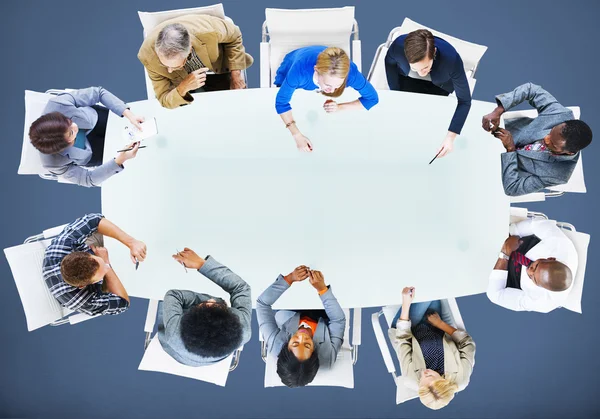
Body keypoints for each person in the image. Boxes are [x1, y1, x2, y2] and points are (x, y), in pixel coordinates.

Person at [481, 82, 593, 196]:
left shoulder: (558, 175)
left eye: (553, 144)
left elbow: (512, 188)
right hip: (488, 133)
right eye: (550, 132)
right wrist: (498, 111)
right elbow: (531, 89)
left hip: (492, 167)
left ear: (569, 152)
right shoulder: (560, 114)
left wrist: (510, 149)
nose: (546, 139)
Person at [29, 87, 144, 187]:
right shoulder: (52, 163)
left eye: (68, 121)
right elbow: (88, 179)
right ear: (63, 148)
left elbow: (98, 93)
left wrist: (130, 115)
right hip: (93, 153)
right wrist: (120, 160)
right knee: (140, 159)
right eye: (71, 133)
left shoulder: (57, 104)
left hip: (96, 119)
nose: (75, 127)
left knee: (141, 126)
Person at [157, 248, 252, 366]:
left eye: (207, 304)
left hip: (176, 350)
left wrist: (211, 303)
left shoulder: (174, 333)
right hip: (210, 354)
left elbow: (174, 295)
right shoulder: (243, 329)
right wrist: (201, 264)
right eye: (218, 306)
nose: (212, 299)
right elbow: (241, 288)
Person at [385, 29, 471, 158]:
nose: (421, 74)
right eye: (416, 68)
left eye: (425, 67)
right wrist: (396, 93)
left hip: (439, 87)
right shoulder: (398, 47)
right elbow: (389, 62)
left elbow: (465, 101)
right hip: (407, 79)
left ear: (434, 53)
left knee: (427, 123)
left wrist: (450, 139)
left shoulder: (451, 60)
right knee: (401, 118)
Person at [274, 46, 379, 152]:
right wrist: (296, 135)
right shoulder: (299, 72)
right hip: (295, 61)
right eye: (328, 85)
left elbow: (372, 98)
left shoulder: (351, 74)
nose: (332, 91)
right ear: (316, 70)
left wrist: (339, 107)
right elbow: (281, 102)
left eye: (338, 86)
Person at [138, 14, 253, 109]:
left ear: (190, 49)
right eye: (164, 64)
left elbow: (235, 35)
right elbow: (164, 99)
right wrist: (183, 88)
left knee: (233, 107)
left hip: (219, 69)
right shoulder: (148, 57)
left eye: (175, 66)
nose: (169, 70)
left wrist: (236, 76)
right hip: (182, 85)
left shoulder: (208, 31)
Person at [256, 266, 346, 387]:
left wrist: (290, 278)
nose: (302, 336)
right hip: (324, 314)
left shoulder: (275, 345)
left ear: (285, 348)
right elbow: (338, 320)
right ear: (315, 351)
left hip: (291, 309)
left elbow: (262, 304)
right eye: (308, 344)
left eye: (295, 343)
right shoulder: (327, 357)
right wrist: (322, 289)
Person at [42, 213, 147, 316]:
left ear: (85, 253)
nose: (105, 268)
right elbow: (123, 303)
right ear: (83, 286)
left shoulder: (61, 247)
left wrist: (131, 242)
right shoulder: (85, 301)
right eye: (101, 273)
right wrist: (106, 262)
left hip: (91, 253)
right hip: (96, 290)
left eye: (98, 260)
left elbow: (93, 219)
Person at [389, 287, 475, 410]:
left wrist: (406, 304)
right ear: (444, 381)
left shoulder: (411, 379)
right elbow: (467, 343)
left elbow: (402, 339)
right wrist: (440, 324)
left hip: (409, 328)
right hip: (436, 323)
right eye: (430, 376)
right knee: (433, 288)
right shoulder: (461, 379)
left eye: (422, 381)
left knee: (426, 288)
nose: (424, 374)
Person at [486, 217, 578, 313]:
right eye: (536, 266)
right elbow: (534, 224)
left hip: (510, 276)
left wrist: (504, 254)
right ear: (551, 258)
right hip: (522, 245)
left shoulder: (545, 302)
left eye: (533, 278)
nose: (529, 271)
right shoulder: (562, 245)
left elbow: (495, 294)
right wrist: (510, 233)